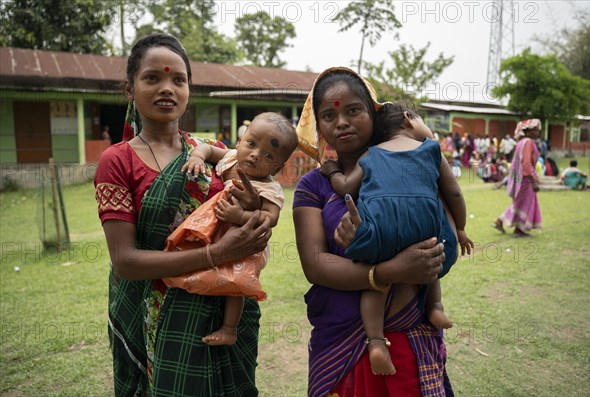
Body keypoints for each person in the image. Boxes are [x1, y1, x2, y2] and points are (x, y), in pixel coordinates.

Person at [94, 33, 272, 396]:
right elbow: (125, 261)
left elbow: (258, 218)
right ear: (129, 88)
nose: (167, 88)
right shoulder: (117, 161)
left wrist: (254, 230)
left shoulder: (216, 153)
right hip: (159, 315)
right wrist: (216, 255)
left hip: (224, 309)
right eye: (152, 78)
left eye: (178, 79)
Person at [293, 66, 454, 396]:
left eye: (353, 110)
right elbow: (314, 264)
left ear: (373, 113)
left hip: (409, 339)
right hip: (341, 348)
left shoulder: (414, 168)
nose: (341, 122)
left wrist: (378, 242)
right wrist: (388, 270)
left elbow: (440, 236)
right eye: (328, 115)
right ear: (318, 126)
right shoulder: (313, 187)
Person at [319, 101, 474, 376]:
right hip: (426, 225)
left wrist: (331, 169)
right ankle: (435, 306)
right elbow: (454, 193)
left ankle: (376, 342)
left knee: (376, 283)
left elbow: (344, 187)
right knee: (430, 248)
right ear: (409, 119)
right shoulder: (431, 149)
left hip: (379, 228)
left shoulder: (370, 155)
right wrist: (460, 228)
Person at [167, 112, 297, 346]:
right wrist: (197, 156)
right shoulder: (230, 158)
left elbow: (270, 218)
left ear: (277, 167)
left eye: (268, 155)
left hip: (247, 243)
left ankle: (229, 328)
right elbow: (207, 150)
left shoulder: (268, 188)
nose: (255, 155)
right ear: (239, 141)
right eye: (251, 144)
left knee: (236, 280)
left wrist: (241, 215)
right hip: (218, 228)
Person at [493, 119, 543, 237]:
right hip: (525, 180)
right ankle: (504, 222)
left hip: (520, 179)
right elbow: (526, 163)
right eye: (534, 130)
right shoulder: (528, 142)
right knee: (521, 204)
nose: (537, 132)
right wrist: (533, 181)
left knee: (521, 203)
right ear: (527, 131)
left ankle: (516, 228)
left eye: (537, 130)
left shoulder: (521, 142)